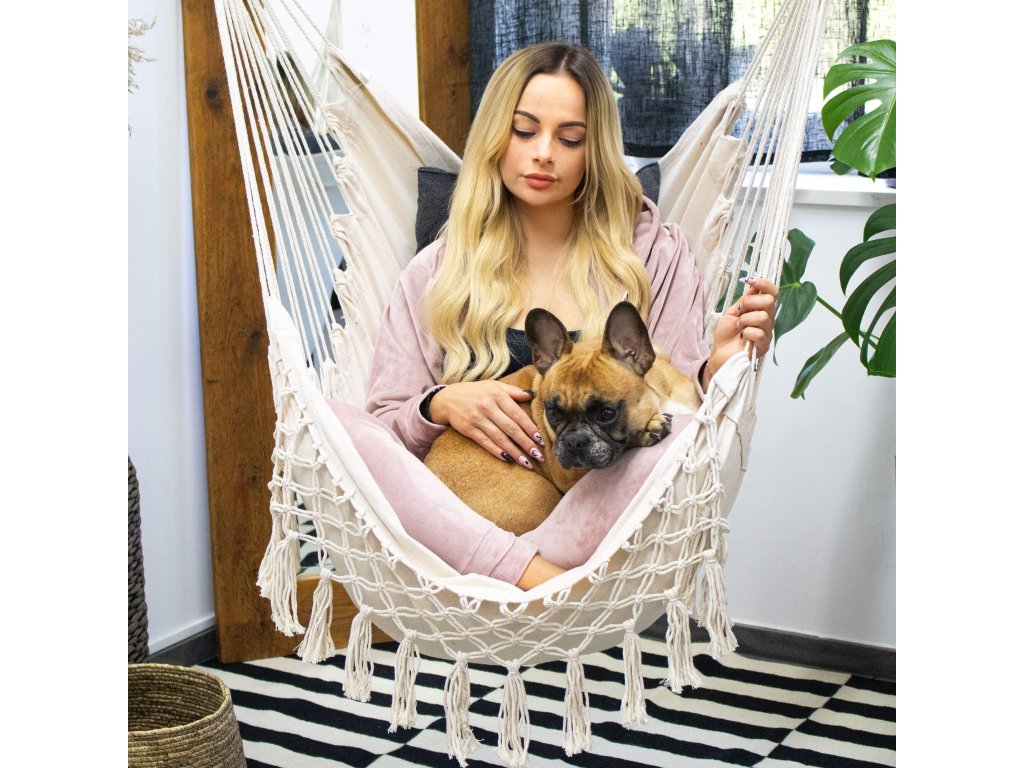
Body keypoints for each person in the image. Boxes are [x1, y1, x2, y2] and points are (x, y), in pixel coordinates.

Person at [363, 42, 777, 590]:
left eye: (570, 138)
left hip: (599, 522)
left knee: (673, 437)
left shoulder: (652, 253)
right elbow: (382, 431)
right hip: (455, 529)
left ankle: (535, 577)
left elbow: (682, 400)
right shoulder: (436, 273)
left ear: (594, 150)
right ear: (494, 137)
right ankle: (532, 577)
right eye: (523, 130)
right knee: (341, 431)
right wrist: (441, 403)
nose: (543, 154)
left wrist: (718, 364)